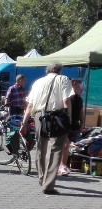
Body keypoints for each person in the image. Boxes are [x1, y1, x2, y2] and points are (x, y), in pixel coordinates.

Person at [20, 62, 71, 195]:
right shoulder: (63, 79)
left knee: (40, 148)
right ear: (60, 71)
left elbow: (30, 105)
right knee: (55, 150)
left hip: (39, 116)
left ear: (47, 71)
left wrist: (24, 123)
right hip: (57, 117)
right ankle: (48, 186)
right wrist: (68, 118)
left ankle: (41, 178)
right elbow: (66, 101)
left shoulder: (38, 82)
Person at [59, 79, 84, 176]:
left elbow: (81, 111)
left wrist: (82, 123)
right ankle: (62, 166)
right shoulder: (66, 97)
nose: (80, 89)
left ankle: (63, 165)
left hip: (74, 125)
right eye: (79, 87)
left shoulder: (79, 98)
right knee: (66, 144)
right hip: (64, 125)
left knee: (67, 146)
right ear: (73, 85)